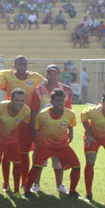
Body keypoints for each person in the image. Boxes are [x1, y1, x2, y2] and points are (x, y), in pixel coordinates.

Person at [23, 89, 81, 198]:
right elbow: (36, 128)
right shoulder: (43, 114)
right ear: (51, 101)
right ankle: (28, 191)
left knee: (76, 166)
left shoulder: (69, 113)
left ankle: (72, 191)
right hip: (45, 145)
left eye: (62, 100)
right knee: (36, 167)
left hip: (62, 145)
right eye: (57, 101)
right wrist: (38, 141)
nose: (60, 103)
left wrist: (71, 134)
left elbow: (70, 124)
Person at [0, 55, 45, 191]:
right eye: (19, 64)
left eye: (24, 64)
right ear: (14, 66)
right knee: (7, 154)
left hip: (27, 121)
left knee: (24, 154)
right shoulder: (7, 76)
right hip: (9, 120)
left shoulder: (35, 77)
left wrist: (66, 86)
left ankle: (24, 182)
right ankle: (6, 182)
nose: (22, 67)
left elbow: (50, 83)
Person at [30, 65, 75, 194]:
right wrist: (34, 130)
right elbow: (34, 111)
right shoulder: (38, 90)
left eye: (54, 73)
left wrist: (70, 130)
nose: (52, 76)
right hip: (43, 131)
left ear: (58, 75)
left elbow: (69, 112)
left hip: (59, 131)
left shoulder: (66, 90)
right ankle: (36, 184)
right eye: (49, 73)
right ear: (46, 75)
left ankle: (60, 185)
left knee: (59, 160)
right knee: (39, 159)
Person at [0, 89, 30, 198]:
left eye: (22, 100)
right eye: (17, 100)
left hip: (13, 140)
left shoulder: (26, 110)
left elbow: (23, 126)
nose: (20, 103)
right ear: (10, 99)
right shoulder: (0, 107)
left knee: (17, 163)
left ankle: (16, 191)